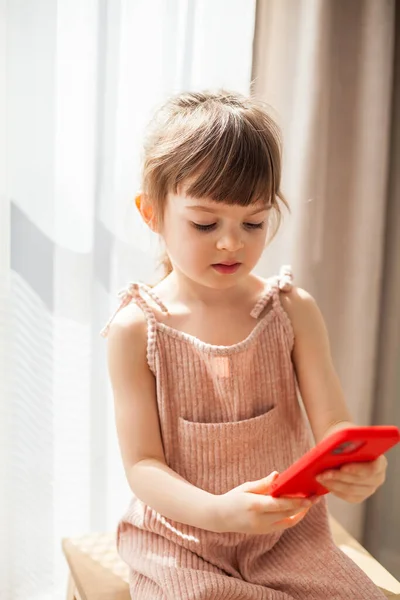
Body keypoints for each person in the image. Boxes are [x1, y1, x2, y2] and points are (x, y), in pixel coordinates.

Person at [101, 90, 388, 599]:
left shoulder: (291, 309)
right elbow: (143, 467)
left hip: (286, 537)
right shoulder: (135, 329)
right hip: (181, 541)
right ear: (152, 214)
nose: (231, 243)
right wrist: (217, 511)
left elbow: (335, 428)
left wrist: (357, 464)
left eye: (252, 222)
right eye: (205, 223)